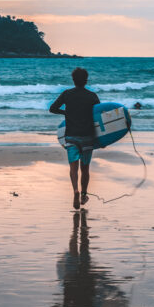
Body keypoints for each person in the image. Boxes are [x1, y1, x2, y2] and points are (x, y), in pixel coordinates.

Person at [50, 67, 100, 209]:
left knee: (73, 167)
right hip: (87, 137)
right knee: (85, 168)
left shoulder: (67, 94)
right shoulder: (92, 96)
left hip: (71, 136)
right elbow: (98, 118)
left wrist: (65, 112)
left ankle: (75, 191)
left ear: (73, 80)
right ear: (86, 80)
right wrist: (102, 140)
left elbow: (52, 108)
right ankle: (84, 195)